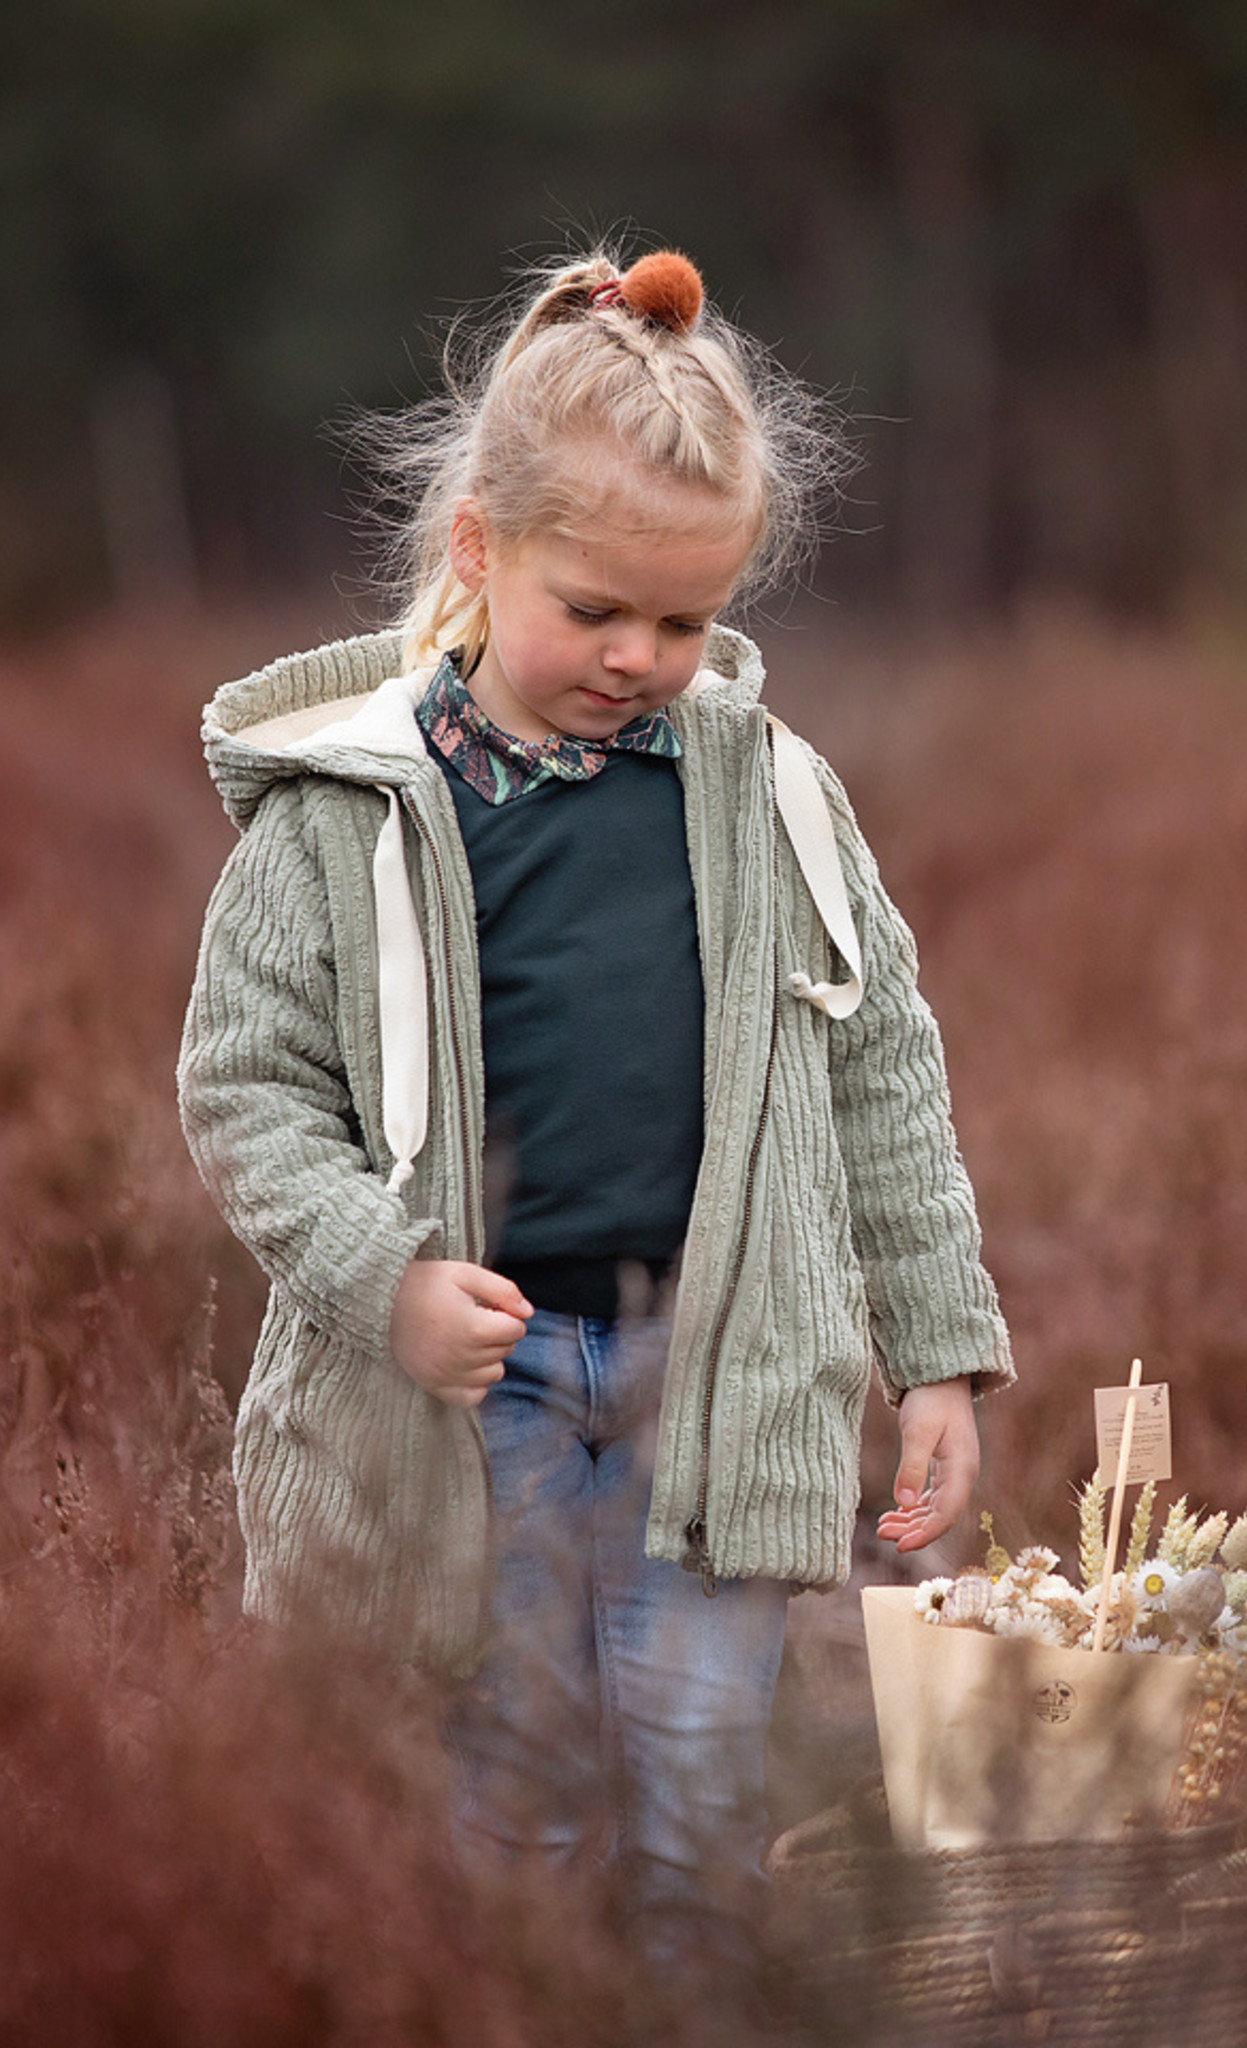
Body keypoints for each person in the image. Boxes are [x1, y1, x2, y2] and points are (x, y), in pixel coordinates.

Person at [178, 245, 1013, 1975]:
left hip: (711, 1380)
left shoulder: (772, 793)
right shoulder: (346, 814)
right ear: (479, 552)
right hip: (465, 1403)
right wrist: (385, 1279)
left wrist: (935, 1352)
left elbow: (884, 1069)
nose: (641, 657)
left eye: (687, 623)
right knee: (511, 1806)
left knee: (703, 1812)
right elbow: (247, 1089)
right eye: (596, 611)